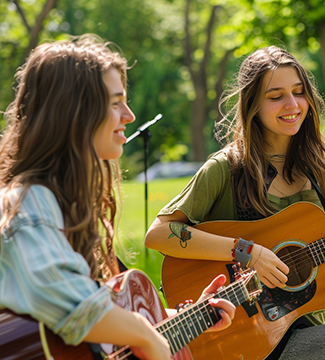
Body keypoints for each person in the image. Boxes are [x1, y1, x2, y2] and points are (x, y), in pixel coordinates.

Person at [144, 45, 325, 360]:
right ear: (253, 104)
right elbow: (159, 234)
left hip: (294, 328)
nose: (293, 104)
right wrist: (248, 252)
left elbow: (321, 258)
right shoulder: (225, 168)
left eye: (299, 92)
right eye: (276, 96)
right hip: (237, 337)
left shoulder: (318, 174)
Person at [0, 34, 235, 360]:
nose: (129, 115)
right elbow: (74, 306)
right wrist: (147, 338)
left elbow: (104, 337)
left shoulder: (65, 204)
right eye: (114, 103)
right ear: (74, 112)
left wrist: (188, 316)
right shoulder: (26, 204)